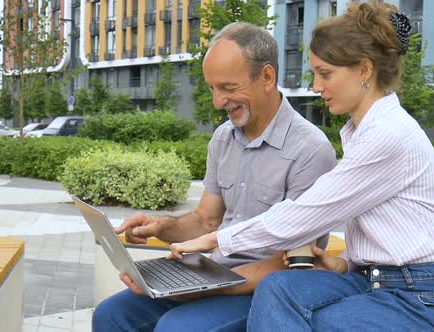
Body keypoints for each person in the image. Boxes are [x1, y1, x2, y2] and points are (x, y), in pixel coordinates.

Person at [169, 2, 434, 331]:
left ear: (364, 70)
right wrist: (342, 266)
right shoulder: (362, 132)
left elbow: (304, 214)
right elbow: (389, 238)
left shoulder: (389, 136)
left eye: (325, 73)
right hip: (374, 282)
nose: (316, 86)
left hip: (425, 300)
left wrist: (216, 240)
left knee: (321, 320)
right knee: (278, 289)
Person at [91, 22, 337, 332]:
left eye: (228, 88)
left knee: (176, 328)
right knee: (110, 315)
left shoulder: (311, 150)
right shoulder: (223, 138)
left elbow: (292, 262)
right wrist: (162, 227)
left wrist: (203, 288)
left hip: (265, 289)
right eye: (212, 88)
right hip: (213, 275)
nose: (217, 102)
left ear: (267, 77)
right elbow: (206, 221)